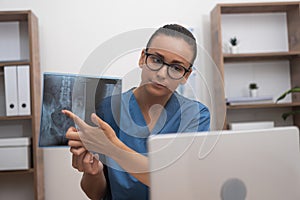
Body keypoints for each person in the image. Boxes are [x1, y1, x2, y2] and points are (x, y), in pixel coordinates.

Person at [63, 24, 210, 200]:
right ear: (142, 58)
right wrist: (92, 172)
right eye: (156, 60)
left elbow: (176, 182)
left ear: (186, 76)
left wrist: (111, 147)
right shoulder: (107, 109)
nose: (162, 74)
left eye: (176, 68)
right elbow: (96, 194)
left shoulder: (195, 115)